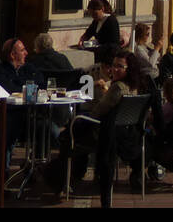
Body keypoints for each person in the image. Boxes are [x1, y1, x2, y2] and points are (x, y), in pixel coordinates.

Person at [49, 50, 146, 205]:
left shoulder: (118, 88)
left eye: (119, 66)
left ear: (129, 69)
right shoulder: (134, 87)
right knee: (73, 131)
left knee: (71, 132)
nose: (114, 69)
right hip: (126, 135)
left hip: (105, 136)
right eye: (113, 65)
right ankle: (71, 173)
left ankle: (61, 178)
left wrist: (85, 114)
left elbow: (98, 112)